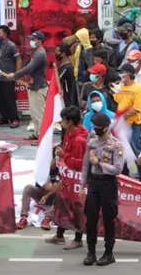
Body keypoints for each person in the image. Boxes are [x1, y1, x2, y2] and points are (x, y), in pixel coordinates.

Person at [80, 111, 126, 266]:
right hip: (93, 183)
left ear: (106, 127)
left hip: (108, 184)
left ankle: (108, 253)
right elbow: (86, 163)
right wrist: (82, 184)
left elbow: (118, 169)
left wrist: (99, 163)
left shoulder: (116, 145)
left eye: (99, 127)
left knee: (108, 219)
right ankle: (90, 252)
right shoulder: (92, 140)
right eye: (95, 126)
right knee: (91, 219)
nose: (96, 129)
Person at [46, 105, 88, 248]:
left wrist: (63, 155)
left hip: (76, 182)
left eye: (63, 120)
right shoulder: (69, 134)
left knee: (77, 209)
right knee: (62, 206)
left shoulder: (79, 140)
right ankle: (59, 235)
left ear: (69, 122)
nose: (61, 123)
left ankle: (78, 239)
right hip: (66, 180)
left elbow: (79, 164)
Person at [11, 31, 48, 141]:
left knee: (39, 115)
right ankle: (36, 134)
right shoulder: (36, 52)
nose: (31, 41)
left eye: (33, 39)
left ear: (39, 41)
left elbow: (29, 68)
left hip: (38, 88)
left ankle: (41, 137)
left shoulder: (40, 54)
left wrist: (15, 75)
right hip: (34, 86)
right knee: (34, 113)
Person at [112, 63, 141, 156]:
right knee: (121, 150)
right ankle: (125, 170)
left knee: (136, 150)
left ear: (128, 74)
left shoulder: (138, 88)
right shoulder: (120, 86)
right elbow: (117, 100)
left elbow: (137, 108)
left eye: (122, 73)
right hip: (122, 124)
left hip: (133, 125)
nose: (120, 75)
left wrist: (124, 115)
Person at [0, 25, 21, 127]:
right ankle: (5, 117)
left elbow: (18, 60)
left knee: (9, 99)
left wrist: (16, 74)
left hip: (8, 77)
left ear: (5, 33)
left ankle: (15, 119)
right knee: (0, 99)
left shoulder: (11, 46)